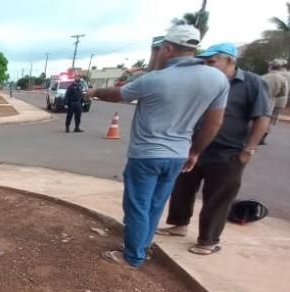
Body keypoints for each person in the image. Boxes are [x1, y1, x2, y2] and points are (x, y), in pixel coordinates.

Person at [86, 25, 229, 269]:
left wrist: (96, 91)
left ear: (168, 48)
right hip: (179, 155)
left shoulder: (155, 79)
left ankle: (132, 257)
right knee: (154, 205)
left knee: (137, 206)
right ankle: (142, 247)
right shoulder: (216, 79)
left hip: (146, 155)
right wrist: (195, 151)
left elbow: (118, 94)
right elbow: (214, 123)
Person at [157, 44, 271, 255]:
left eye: (211, 62)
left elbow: (262, 117)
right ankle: (179, 224)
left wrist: (249, 149)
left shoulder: (253, 83)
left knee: (218, 197)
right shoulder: (204, 81)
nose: (206, 66)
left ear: (230, 61)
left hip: (229, 151)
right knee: (182, 187)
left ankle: (207, 240)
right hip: (194, 146)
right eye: (204, 63)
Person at [259, 59, 288, 145]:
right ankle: (263, 136)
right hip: (279, 100)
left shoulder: (263, 76)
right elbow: (284, 92)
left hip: (263, 99)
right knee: (272, 119)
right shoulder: (284, 77)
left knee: (261, 117)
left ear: (271, 66)